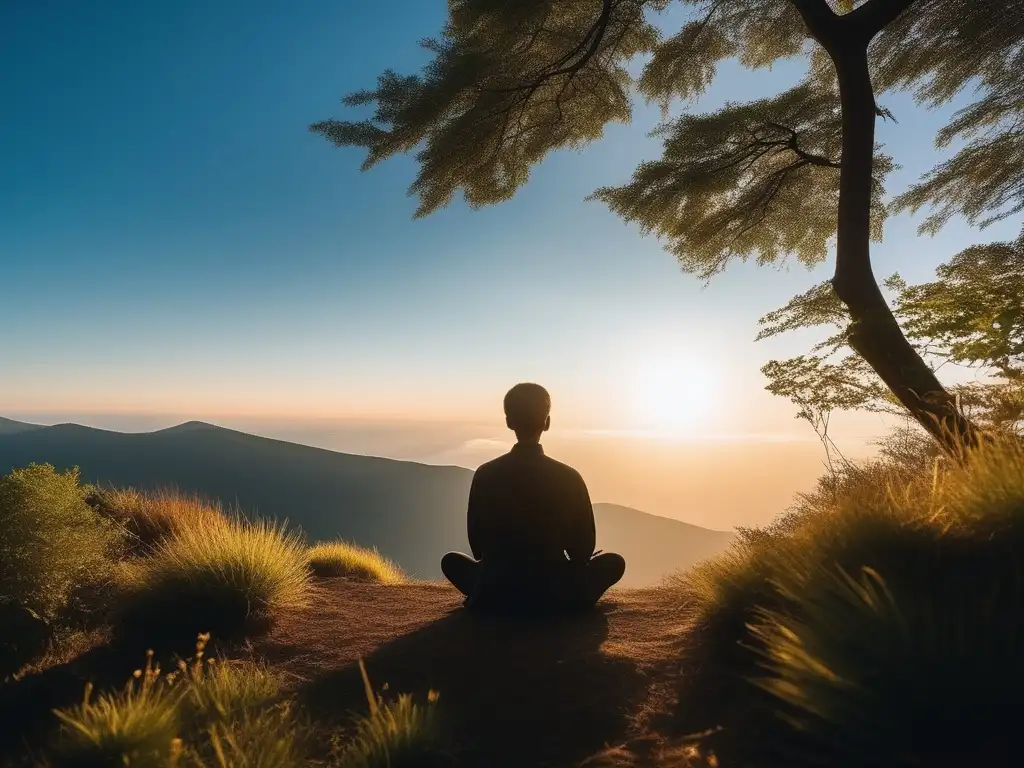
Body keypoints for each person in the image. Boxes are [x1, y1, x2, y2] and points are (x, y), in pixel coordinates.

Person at [441, 383, 626, 614]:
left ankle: (491, 596)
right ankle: (570, 604)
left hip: (495, 591)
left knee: (451, 561)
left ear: (509, 422)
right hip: (556, 596)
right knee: (614, 562)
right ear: (547, 422)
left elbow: (477, 548)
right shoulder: (569, 477)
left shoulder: (485, 474)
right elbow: (582, 551)